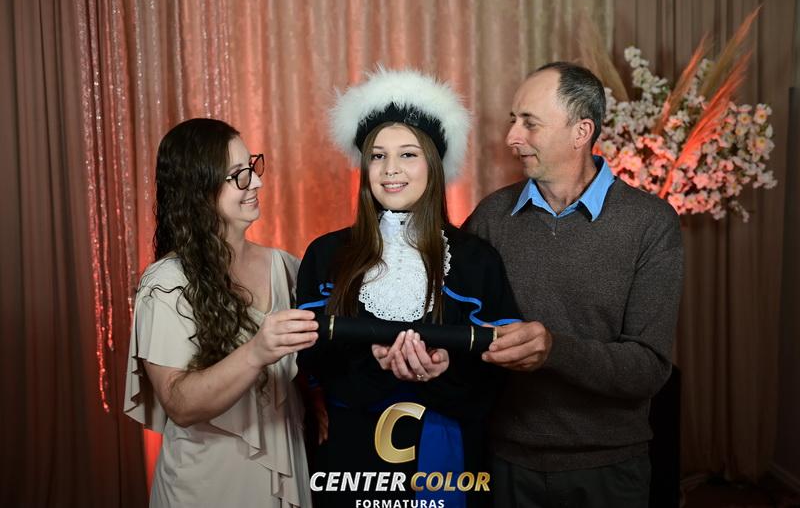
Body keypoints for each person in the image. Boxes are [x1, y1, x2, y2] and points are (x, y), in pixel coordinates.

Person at [463, 62, 684, 508]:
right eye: (513, 121)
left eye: (530, 123)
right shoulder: (490, 216)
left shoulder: (651, 224)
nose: (511, 137)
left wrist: (554, 350)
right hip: (505, 462)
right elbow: (456, 322)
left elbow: (648, 368)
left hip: (609, 470)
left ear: (581, 131)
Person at [297, 68, 521, 508]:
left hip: (449, 457)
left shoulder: (476, 259)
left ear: (434, 165)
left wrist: (444, 369)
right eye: (378, 156)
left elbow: (502, 372)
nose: (391, 169)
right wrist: (370, 360)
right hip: (350, 459)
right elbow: (307, 360)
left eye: (408, 154)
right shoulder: (326, 254)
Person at [123, 118, 318, 507]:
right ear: (198, 189)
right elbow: (179, 403)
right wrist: (256, 352)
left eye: (253, 166)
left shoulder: (286, 267)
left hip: (285, 472)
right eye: (238, 175)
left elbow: (304, 369)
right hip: (207, 485)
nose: (256, 182)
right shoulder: (167, 283)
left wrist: (316, 398)